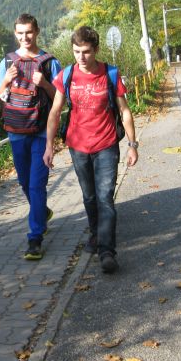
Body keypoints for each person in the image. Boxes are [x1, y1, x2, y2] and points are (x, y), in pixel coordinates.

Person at [43, 26, 138, 273]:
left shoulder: (110, 73)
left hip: (106, 144)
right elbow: (55, 112)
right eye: (76, 52)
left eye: (86, 51)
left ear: (96, 49)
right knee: (89, 197)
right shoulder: (66, 75)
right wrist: (49, 146)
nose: (81, 57)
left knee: (105, 196)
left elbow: (125, 111)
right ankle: (96, 234)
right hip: (77, 146)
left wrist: (132, 145)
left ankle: (107, 251)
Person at [0, 13, 62, 260]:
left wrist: (44, 84)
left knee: (36, 184)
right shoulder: (7, 61)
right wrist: (5, 82)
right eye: (20, 33)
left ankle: (35, 238)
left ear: (37, 32)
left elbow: (61, 98)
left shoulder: (50, 62)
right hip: (16, 132)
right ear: (15, 34)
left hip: (42, 132)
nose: (25, 37)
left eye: (29, 32)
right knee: (24, 182)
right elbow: (0, 98)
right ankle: (41, 211)